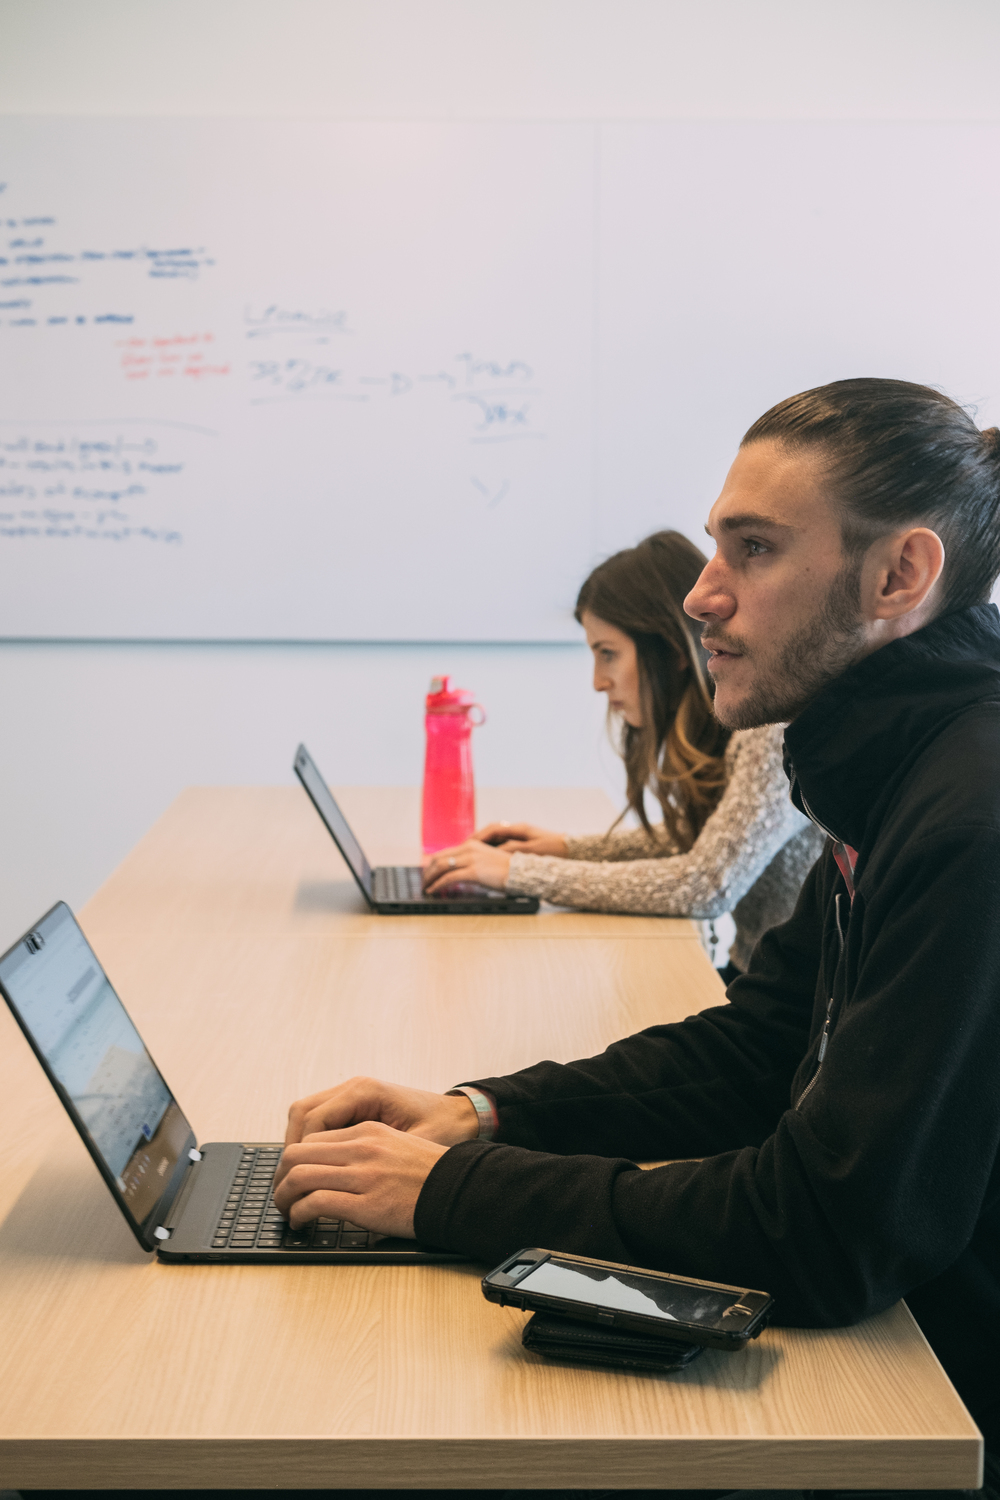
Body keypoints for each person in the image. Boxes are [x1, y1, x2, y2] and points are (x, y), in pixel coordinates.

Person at [273, 378, 1000, 1476]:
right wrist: (481, 1115)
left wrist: (451, 1196)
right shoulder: (890, 773)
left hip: (949, 1401)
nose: (701, 598)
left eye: (752, 551)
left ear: (897, 576)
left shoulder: (968, 819)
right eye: (715, 548)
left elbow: (824, 1235)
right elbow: (756, 1050)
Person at [422, 530, 825, 978]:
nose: (598, 680)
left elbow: (705, 883)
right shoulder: (723, 731)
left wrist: (518, 874)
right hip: (755, 976)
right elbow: (700, 839)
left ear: (671, 649)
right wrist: (565, 848)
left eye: (608, 654)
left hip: (796, 1011)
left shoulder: (767, 731)